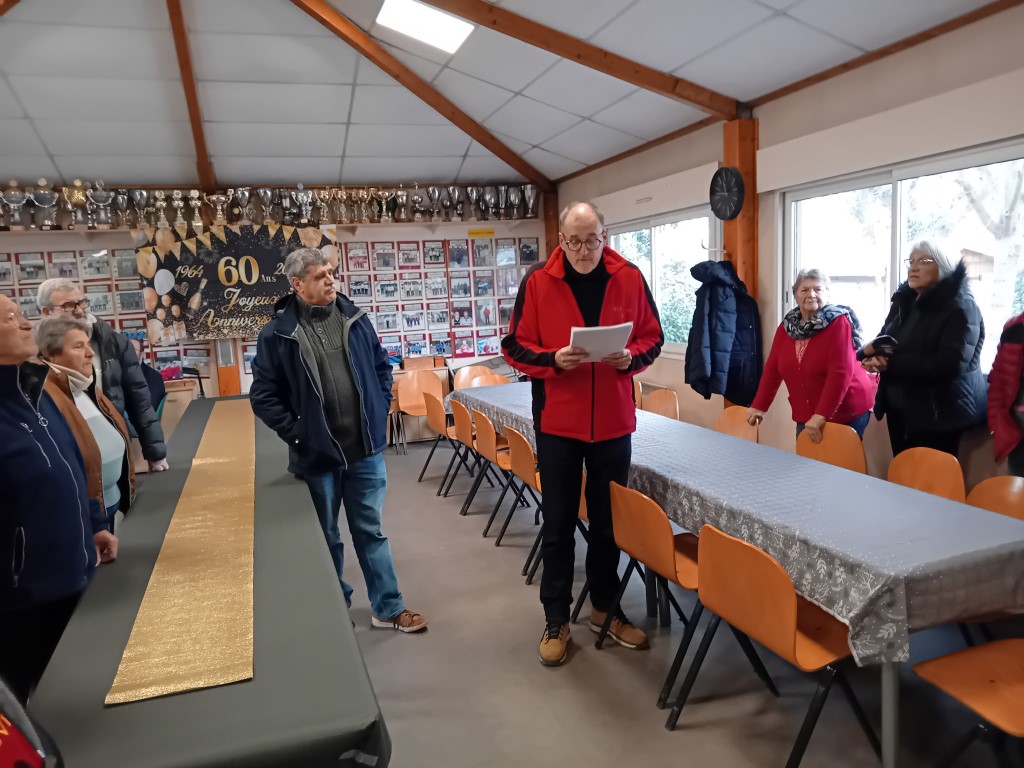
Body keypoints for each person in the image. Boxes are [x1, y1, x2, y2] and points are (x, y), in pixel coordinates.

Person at [502, 201, 664, 667]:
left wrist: (630, 359)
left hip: (613, 424)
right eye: (572, 241)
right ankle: (556, 618)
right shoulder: (538, 281)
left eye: (591, 239)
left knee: (608, 526)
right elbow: (514, 346)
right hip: (558, 425)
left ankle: (604, 609)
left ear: (605, 235)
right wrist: (552, 360)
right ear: (560, 240)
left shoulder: (629, 277)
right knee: (556, 526)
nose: (582, 250)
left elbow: (652, 336)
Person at [250, 248, 427, 633]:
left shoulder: (355, 319)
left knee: (371, 531)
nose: (330, 280)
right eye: (318, 276)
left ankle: (388, 607)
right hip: (318, 457)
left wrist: (379, 409)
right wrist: (299, 434)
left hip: (364, 450)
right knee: (326, 538)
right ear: (297, 284)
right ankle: (334, 611)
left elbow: (382, 367)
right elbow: (263, 396)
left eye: (330, 272)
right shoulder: (278, 334)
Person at [0, 295, 117, 703]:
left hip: (74, 578)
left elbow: (69, 469)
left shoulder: (37, 391)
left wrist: (94, 525)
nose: (24, 323)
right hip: (23, 603)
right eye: (10, 318)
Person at [859, 241, 987, 457]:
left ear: (944, 266)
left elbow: (947, 365)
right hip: (900, 409)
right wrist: (874, 358)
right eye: (911, 261)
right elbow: (885, 340)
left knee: (932, 484)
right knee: (904, 476)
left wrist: (891, 363)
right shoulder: (905, 301)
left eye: (924, 261)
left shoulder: (961, 306)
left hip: (938, 413)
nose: (914, 267)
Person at [37, 279, 168, 472]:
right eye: (68, 305)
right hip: (63, 454)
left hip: (113, 446)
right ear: (47, 312)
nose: (80, 310)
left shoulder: (115, 343)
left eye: (82, 302)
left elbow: (139, 400)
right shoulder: (35, 351)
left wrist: (155, 453)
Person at [746, 269, 875, 442]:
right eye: (804, 289)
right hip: (806, 412)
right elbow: (773, 369)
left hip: (845, 409)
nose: (811, 294)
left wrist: (821, 414)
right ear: (795, 295)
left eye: (818, 289)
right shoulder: (787, 327)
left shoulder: (838, 322)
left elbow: (840, 373)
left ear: (827, 293)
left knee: (839, 466)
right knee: (807, 465)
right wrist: (759, 405)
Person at [35, 316, 134, 532]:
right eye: (79, 347)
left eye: (88, 344)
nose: (90, 353)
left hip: (108, 503)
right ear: (50, 355)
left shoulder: (85, 386)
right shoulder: (45, 396)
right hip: (85, 518)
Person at [986, 310, 1024, 475]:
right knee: (1017, 493)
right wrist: (996, 423)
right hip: (1017, 430)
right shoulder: (1014, 327)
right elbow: (998, 379)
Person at [129, 337, 166, 416]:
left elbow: (150, 407)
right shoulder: (121, 373)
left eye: (133, 349)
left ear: (141, 354)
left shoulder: (154, 377)